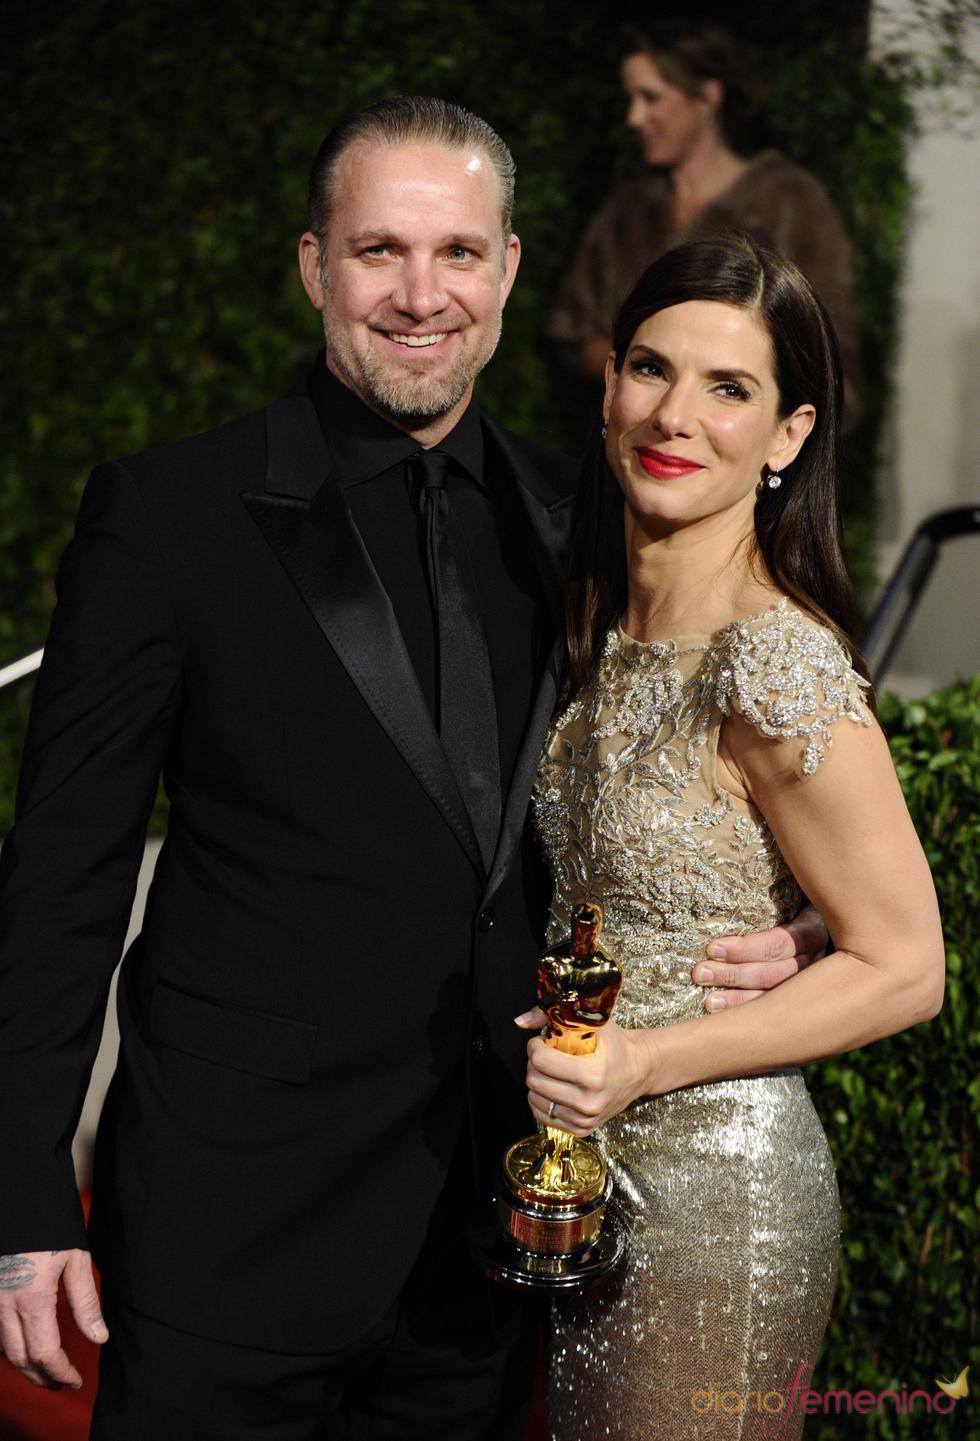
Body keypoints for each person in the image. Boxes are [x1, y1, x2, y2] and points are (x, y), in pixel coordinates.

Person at [0, 102, 825, 1440]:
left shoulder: (585, 520)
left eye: (455, 253)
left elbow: (669, 777)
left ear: (507, 269)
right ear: (315, 265)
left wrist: (776, 920)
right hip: (231, 1235)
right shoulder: (168, 516)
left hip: (491, 1251)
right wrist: (24, 1202)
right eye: (380, 250)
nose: (420, 294)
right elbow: (60, 880)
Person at [518, 233, 945, 1439]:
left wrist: (642, 1065)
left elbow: (907, 966)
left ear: (788, 435)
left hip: (716, 1194)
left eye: (728, 389)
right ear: (607, 381)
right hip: (580, 1173)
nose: (673, 416)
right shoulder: (597, 615)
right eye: (650, 369)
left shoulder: (774, 661)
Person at [548, 21, 862, 426]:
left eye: (651, 97)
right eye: (631, 98)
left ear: (707, 96)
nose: (635, 117)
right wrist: (650, 376)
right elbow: (575, 331)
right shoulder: (629, 208)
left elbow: (826, 356)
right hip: (631, 443)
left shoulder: (788, 203)